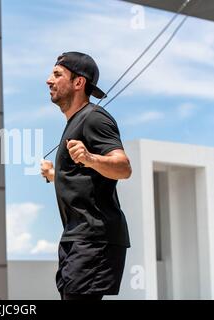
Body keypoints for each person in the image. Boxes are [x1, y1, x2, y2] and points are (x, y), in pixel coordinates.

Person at [41, 52, 132, 300]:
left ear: (78, 82)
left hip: (94, 238)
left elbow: (123, 167)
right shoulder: (73, 122)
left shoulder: (94, 117)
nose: (49, 80)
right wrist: (55, 175)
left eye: (57, 75)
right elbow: (83, 180)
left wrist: (89, 158)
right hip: (77, 237)